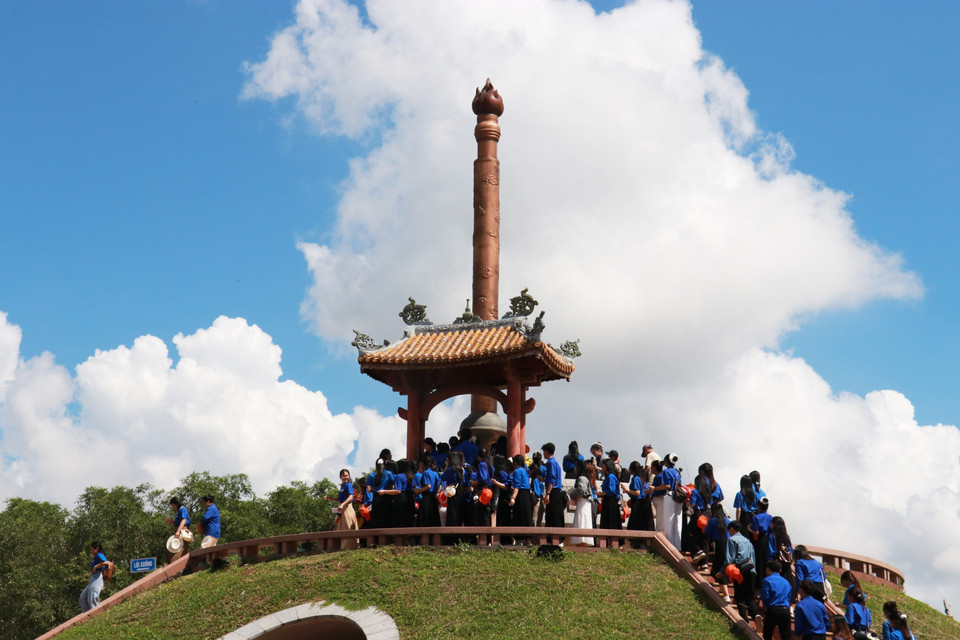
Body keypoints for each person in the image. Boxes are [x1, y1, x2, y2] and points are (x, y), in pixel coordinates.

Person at [726, 520, 759, 624]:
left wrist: (723, 571)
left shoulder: (732, 540)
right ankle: (756, 615)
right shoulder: (748, 541)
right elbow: (753, 557)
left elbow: (729, 558)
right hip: (751, 571)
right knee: (750, 596)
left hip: (739, 571)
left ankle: (744, 620)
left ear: (731, 529)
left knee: (739, 596)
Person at [653, 453, 683, 549]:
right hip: (679, 497)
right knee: (677, 523)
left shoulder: (666, 472)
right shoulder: (677, 472)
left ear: (666, 461)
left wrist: (654, 488)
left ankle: (669, 545)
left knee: (668, 522)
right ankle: (677, 546)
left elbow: (667, 486)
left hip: (670, 496)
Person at [705, 502, 732, 603]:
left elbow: (707, 532)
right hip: (729, 546)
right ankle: (723, 589)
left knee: (718, 570)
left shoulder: (713, 521)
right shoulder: (727, 520)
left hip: (719, 546)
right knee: (721, 568)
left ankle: (726, 595)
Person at [760, 560, 792, 640]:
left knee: (767, 633)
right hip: (785, 610)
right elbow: (789, 596)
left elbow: (765, 596)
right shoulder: (786, 582)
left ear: (768, 569)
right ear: (780, 570)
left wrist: (765, 607)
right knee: (786, 636)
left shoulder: (767, 580)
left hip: (773, 609)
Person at [329, 468, 359, 549]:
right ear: (340, 477)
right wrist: (330, 498)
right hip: (342, 510)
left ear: (349, 476)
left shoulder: (348, 485)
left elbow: (350, 496)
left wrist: (342, 505)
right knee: (342, 528)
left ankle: (351, 547)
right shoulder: (342, 486)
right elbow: (340, 499)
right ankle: (344, 547)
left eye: (347, 475)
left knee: (348, 527)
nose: (345, 477)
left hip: (347, 508)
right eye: (343, 476)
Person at [541, 442, 565, 541]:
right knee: (557, 515)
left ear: (546, 451)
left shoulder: (550, 463)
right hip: (557, 492)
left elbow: (552, 480)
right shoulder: (556, 463)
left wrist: (547, 494)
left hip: (553, 492)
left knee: (552, 516)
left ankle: (553, 539)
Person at [79, 542, 112, 612]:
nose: (91, 551)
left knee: (92, 597)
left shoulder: (99, 555)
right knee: (83, 597)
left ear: (97, 549)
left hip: (97, 576)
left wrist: (95, 567)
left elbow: (106, 562)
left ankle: (96, 614)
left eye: (92, 549)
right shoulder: (95, 557)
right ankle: (87, 614)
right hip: (93, 577)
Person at [568, 459, 594, 546]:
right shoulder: (585, 478)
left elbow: (581, 491)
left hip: (583, 502)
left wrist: (572, 493)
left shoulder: (581, 478)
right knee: (582, 521)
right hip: (583, 502)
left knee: (582, 521)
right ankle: (582, 542)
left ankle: (582, 542)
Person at [625, 460, 651, 548]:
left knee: (635, 521)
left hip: (637, 501)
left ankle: (635, 542)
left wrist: (627, 490)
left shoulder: (636, 478)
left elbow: (637, 492)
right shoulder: (642, 478)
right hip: (643, 502)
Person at [768, 515, 795, 600]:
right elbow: (791, 550)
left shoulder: (772, 536)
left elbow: (771, 550)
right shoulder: (786, 537)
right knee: (788, 580)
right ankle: (791, 599)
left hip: (777, 563)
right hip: (786, 563)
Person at [508, 453, 533, 542]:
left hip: (520, 495)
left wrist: (513, 497)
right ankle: (528, 538)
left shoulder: (517, 471)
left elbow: (517, 486)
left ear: (516, 462)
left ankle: (520, 538)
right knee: (527, 516)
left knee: (519, 516)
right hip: (526, 494)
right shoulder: (525, 471)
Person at [748, 496, 773, 574]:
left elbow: (756, 532)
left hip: (759, 541)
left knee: (759, 560)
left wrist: (749, 528)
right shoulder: (770, 517)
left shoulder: (756, 518)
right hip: (768, 539)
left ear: (758, 507)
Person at [414, 456, 441, 527]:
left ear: (422, 463)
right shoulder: (435, 473)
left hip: (426, 497)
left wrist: (419, 490)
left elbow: (428, 486)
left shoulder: (425, 473)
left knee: (424, 518)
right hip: (433, 497)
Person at [598, 458, 622, 530]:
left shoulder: (610, 476)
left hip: (610, 502)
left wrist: (600, 493)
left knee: (610, 522)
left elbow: (611, 491)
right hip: (609, 501)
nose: (602, 468)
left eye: (603, 466)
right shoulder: (610, 476)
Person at [168, 497, 191, 561]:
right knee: (176, 545)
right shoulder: (179, 511)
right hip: (178, 528)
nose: (173, 507)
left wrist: (178, 531)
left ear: (176, 504)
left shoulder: (182, 509)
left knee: (181, 546)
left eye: (173, 505)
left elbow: (183, 520)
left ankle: (180, 561)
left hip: (182, 529)